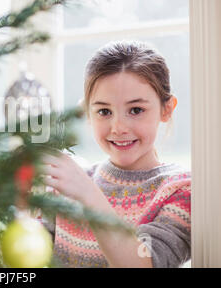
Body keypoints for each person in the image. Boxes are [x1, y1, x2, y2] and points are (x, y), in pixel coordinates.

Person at [41, 41, 191, 268]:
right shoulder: (66, 188)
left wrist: (88, 195)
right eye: (104, 111)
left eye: (136, 110)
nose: (118, 127)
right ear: (87, 113)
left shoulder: (180, 191)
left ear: (166, 109)